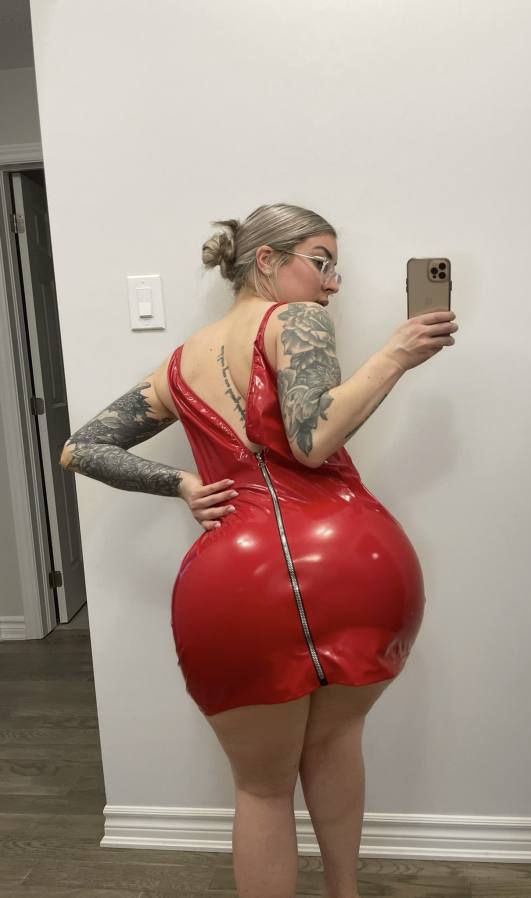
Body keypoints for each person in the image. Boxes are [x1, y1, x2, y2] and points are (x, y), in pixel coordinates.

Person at [60, 202, 458, 898]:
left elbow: (80, 447)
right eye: (321, 261)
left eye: (336, 268)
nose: (332, 283)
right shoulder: (297, 319)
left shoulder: (178, 366)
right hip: (351, 564)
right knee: (336, 743)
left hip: (234, 584)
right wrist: (396, 354)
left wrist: (183, 483)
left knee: (261, 788)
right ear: (267, 261)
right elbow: (312, 441)